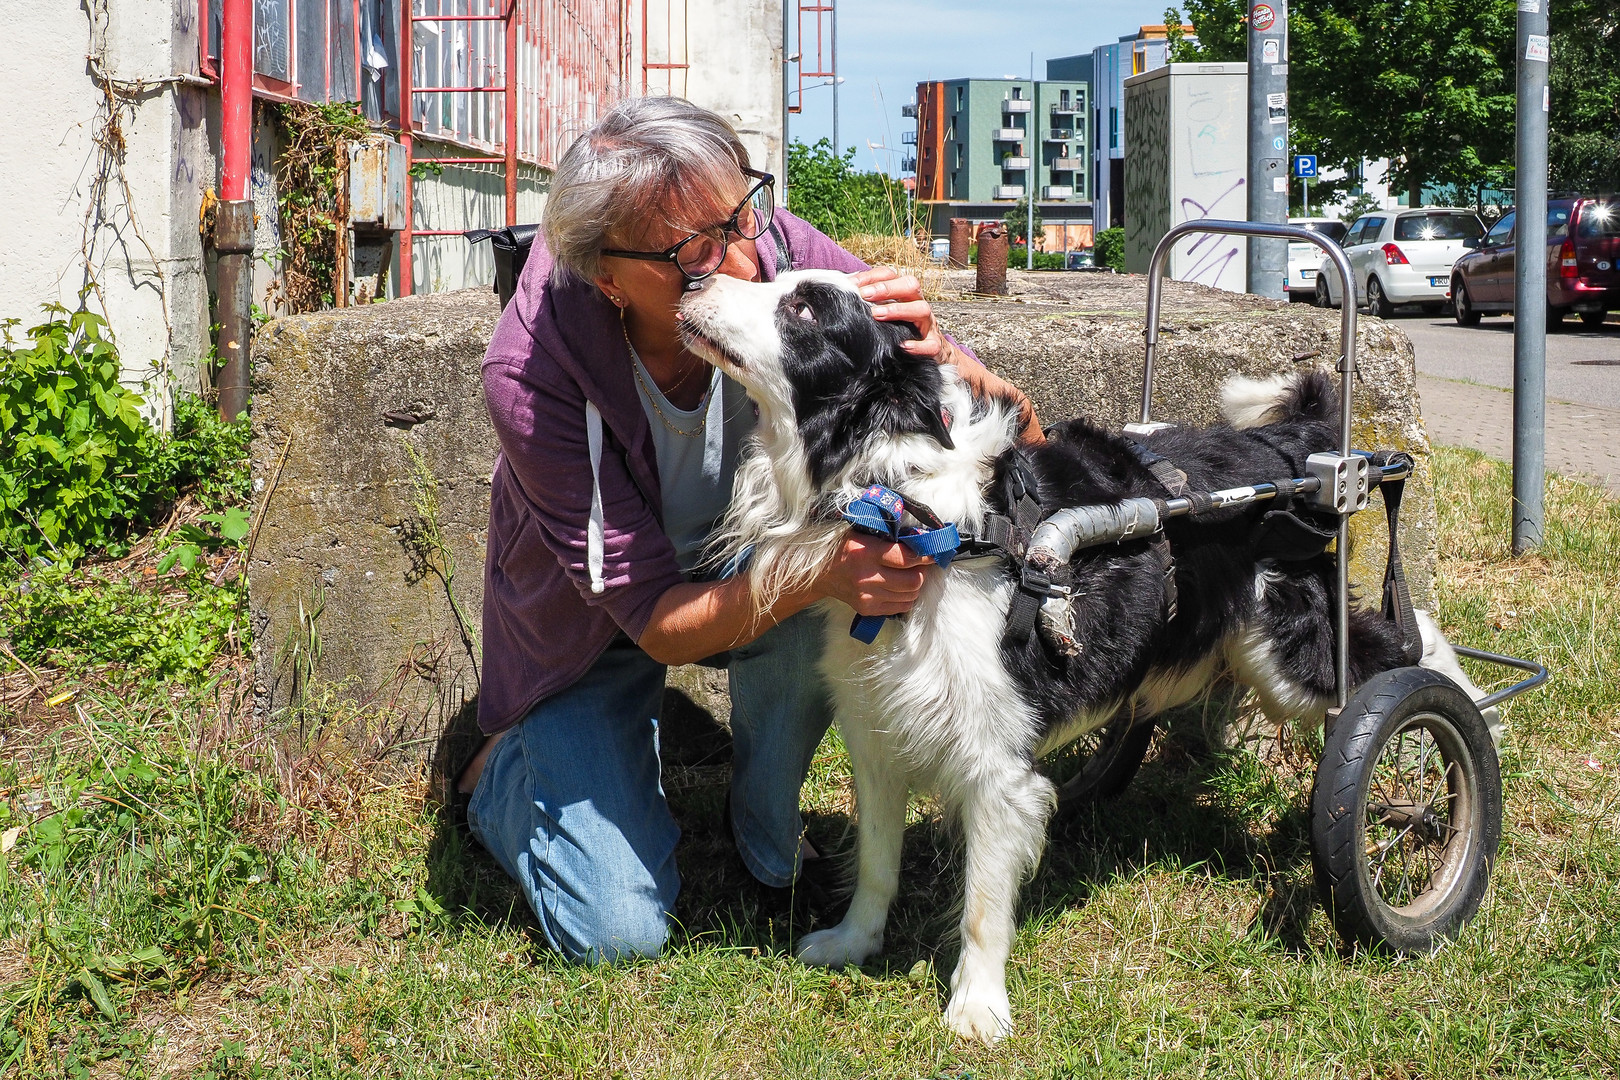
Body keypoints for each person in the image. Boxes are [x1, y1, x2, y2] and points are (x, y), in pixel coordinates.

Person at [457, 96, 1042, 964]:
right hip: (600, 628)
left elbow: (1022, 443)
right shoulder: (533, 371)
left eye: (741, 213)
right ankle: (498, 770)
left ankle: (763, 840)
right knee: (615, 935)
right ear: (608, 278)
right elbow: (655, 622)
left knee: (838, 599)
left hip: (751, 567)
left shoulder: (779, 252)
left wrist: (947, 356)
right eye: (693, 250)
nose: (740, 259)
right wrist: (820, 571)